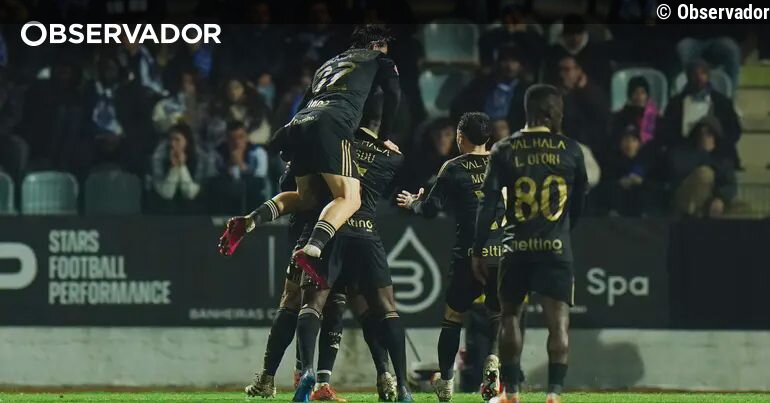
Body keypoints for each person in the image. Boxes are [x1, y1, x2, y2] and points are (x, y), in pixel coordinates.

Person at [219, 25, 401, 291]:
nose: (387, 51)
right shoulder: (379, 59)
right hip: (331, 124)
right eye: (385, 46)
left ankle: (249, 220)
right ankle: (313, 250)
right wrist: (383, 136)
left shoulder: (328, 64)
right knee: (350, 197)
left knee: (305, 197)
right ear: (376, 45)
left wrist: (289, 141)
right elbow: (393, 94)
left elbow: (305, 104)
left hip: (300, 123)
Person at [474, 85, 588, 403]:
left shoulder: (505, 149)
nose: (562, 115)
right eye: (560, 110)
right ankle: (554, 394)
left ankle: (511, 394)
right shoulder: (571, 149)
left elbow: (488, 203)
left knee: (510, 316)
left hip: (517, 247)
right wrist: (563, 231)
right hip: (555, 247)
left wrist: (479, 248)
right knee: (559, 322)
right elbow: (580, 202)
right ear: (550, 112)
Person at [291, 125, 412, 402]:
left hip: (331, 230)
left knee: (314, 303)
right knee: (384, 309)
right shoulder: (392, 156)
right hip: (366, 234)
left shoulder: (334, 145)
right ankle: (400, 384)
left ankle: (307, 371)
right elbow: (397, 170)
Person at [396, 112, 507, 402]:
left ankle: (446, 382)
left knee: (453, 317)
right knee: (498, 313)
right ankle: (494, 359)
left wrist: (414, 203)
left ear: (460, 137)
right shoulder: (504, 164)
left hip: (468, 255)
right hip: (501, 253)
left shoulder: (454, 167)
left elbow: (430, 210)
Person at [659, 59, 742, 168]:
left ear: (708, 76)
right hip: (684, 151)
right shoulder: (675, 103)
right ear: (688, 77)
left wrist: (716, 141)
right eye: (694, 74)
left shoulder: (722, 102)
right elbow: (666, 131)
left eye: (702, 73)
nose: (699, 78)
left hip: (717, 151)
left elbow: (734, 131)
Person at [451, 45, 531, 136]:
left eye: (514, 61)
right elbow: (460, 105)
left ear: (521, 65)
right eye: (505, 61)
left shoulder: (525, 91)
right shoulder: (481, 85)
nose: (509, 66)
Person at [667, 116, 736, 218]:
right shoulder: (682, 152)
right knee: (705, 173)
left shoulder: (723, 158)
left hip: (711, 202)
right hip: (684, 201)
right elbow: (679, 171)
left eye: (709, 133)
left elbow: (730, 184)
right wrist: (703, 153)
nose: (704, 137)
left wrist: (720, 199)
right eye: (701, 133)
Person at [149, 123, 217, 214]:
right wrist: (174, 168)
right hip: (165, 209)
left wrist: (182, 166)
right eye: (170, 139)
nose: (172, 144)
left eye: (177, 140)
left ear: (187, 141)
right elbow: (166, 194)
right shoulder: (160, 156)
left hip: (194, 208)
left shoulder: (200, 158)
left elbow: (190, 194)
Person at [557, 55, 610, 160]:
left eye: (567, 70)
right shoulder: (557, 93)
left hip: (590, 149)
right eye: (561, 70)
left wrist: (581, 91)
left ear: (578, 71)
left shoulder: (594, 93)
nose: (562, 74)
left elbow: (600, 118)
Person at [610, 76, 660, 146]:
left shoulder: (653, 115)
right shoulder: (621, 116)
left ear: (647, 95)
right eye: (635, 92)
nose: (639, 96)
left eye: (642, 92)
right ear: (630, 95)